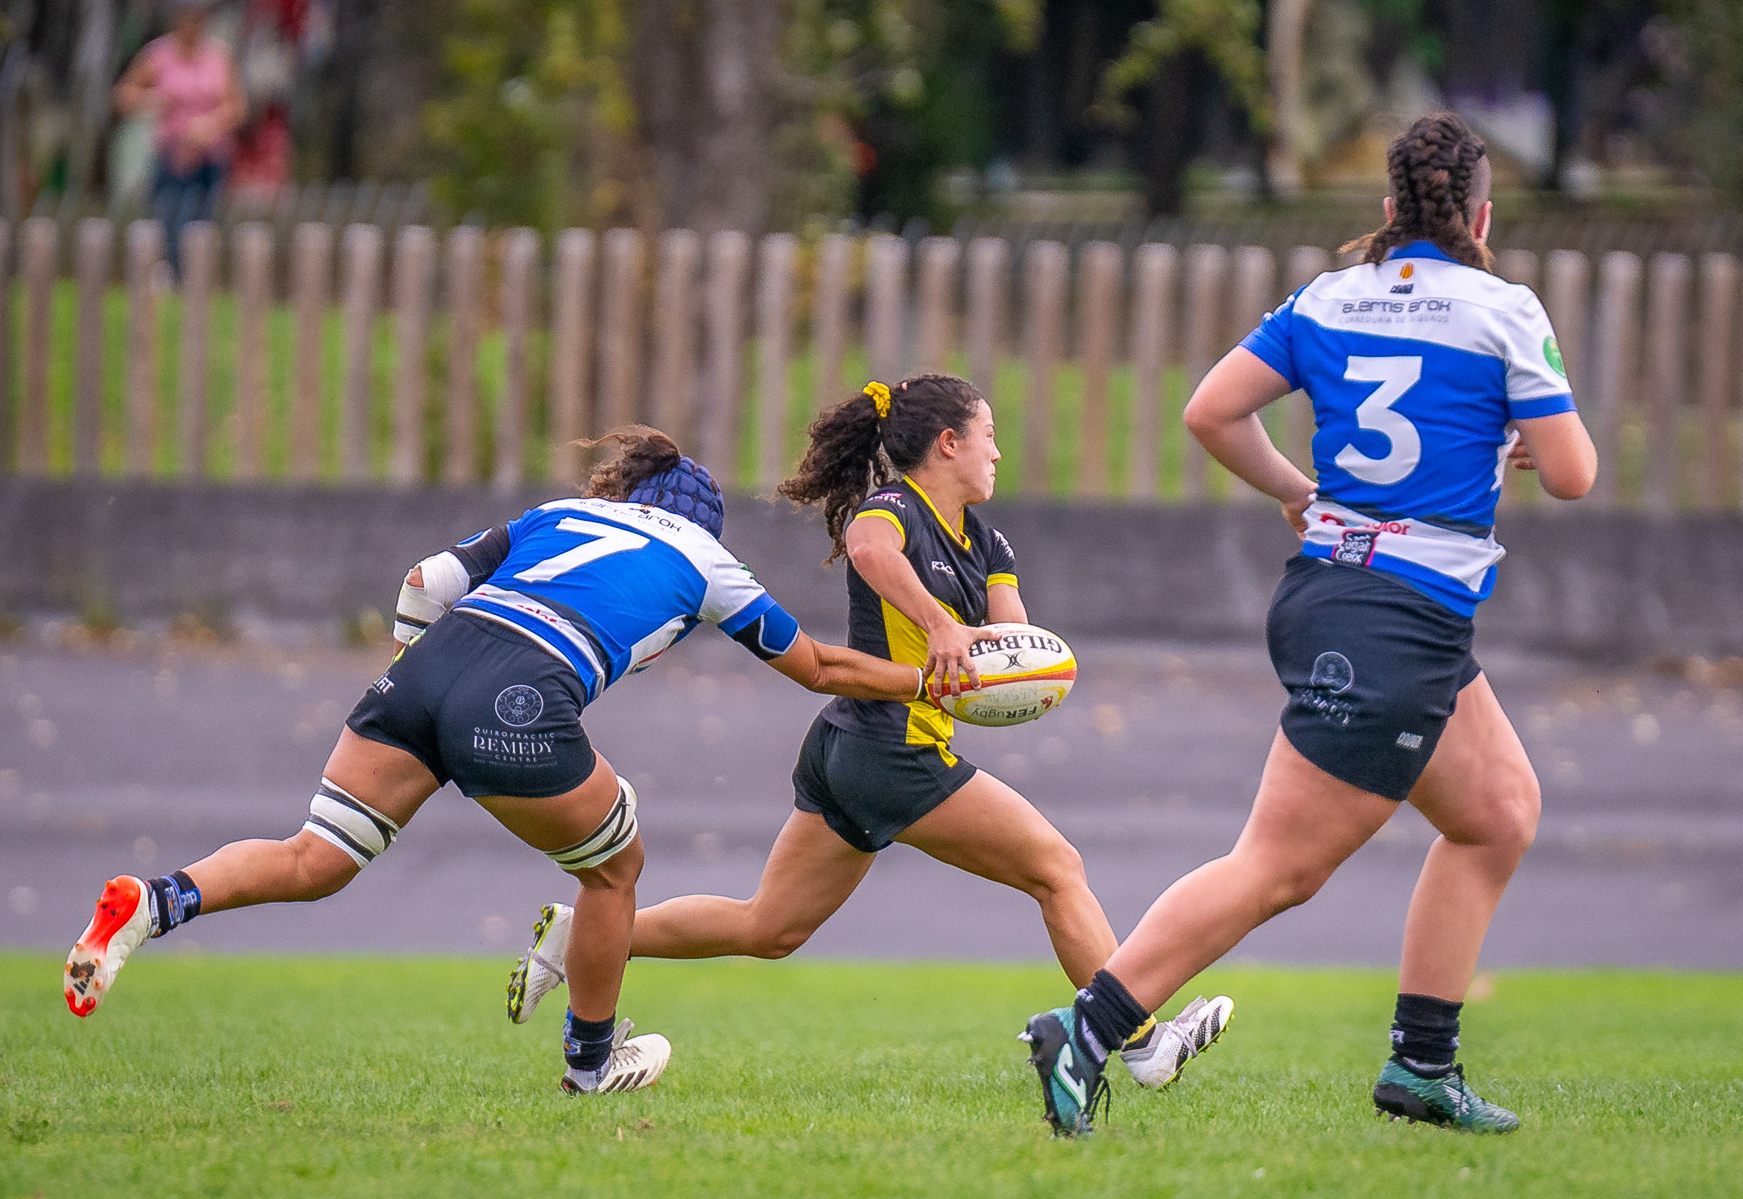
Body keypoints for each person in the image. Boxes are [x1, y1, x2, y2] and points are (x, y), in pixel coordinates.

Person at [1021, 113, 1599, 1136]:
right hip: (1396, 617)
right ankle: (1091, 1024)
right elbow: (1573, 473)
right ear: (1482, 215)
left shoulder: (1328, 296)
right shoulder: (1504, 309)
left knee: (1498, 808)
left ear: (1387, 212)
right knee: (1277, 866)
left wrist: (1297, 488)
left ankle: (1423, 1065)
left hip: (1341, 591)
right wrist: (1506, 428)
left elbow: (1210, 410)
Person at [63, 427, 937, 1096]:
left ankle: (157, 898)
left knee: (313, 858)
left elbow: (421, 579)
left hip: (422, 674)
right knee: (615, 868)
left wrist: (415, 690)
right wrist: (929, 681)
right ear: (699, 518)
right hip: (521, 693)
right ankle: (592, 1064)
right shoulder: (706, 556)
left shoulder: (558, 515)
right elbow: (817, 666)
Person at [506, 378, 1233, 1091]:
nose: (999, 454)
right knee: (1057, 867)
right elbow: (868, 550)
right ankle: (1139, 1044)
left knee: (769, 927)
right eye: (989, 437)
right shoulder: (894, 510)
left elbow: (1012, 636)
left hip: (849, 750)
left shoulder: (986, 539)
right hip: (890, 748)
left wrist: (1020, 667)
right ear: (948, 444)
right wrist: (941, 622)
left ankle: (581, 938)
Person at [114, 0, 245, 275]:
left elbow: (237, 106)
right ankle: (170, 275)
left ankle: (197, 279)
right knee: (170, 221)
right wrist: (154, 100)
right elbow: (123, 96)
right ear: (177, 20)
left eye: (199, 19)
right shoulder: (159, 54)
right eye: (189, 18)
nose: (194, 25)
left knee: (202, 224)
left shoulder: (218, 56)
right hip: (171, 155)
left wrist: (210, 125)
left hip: (209, 156)